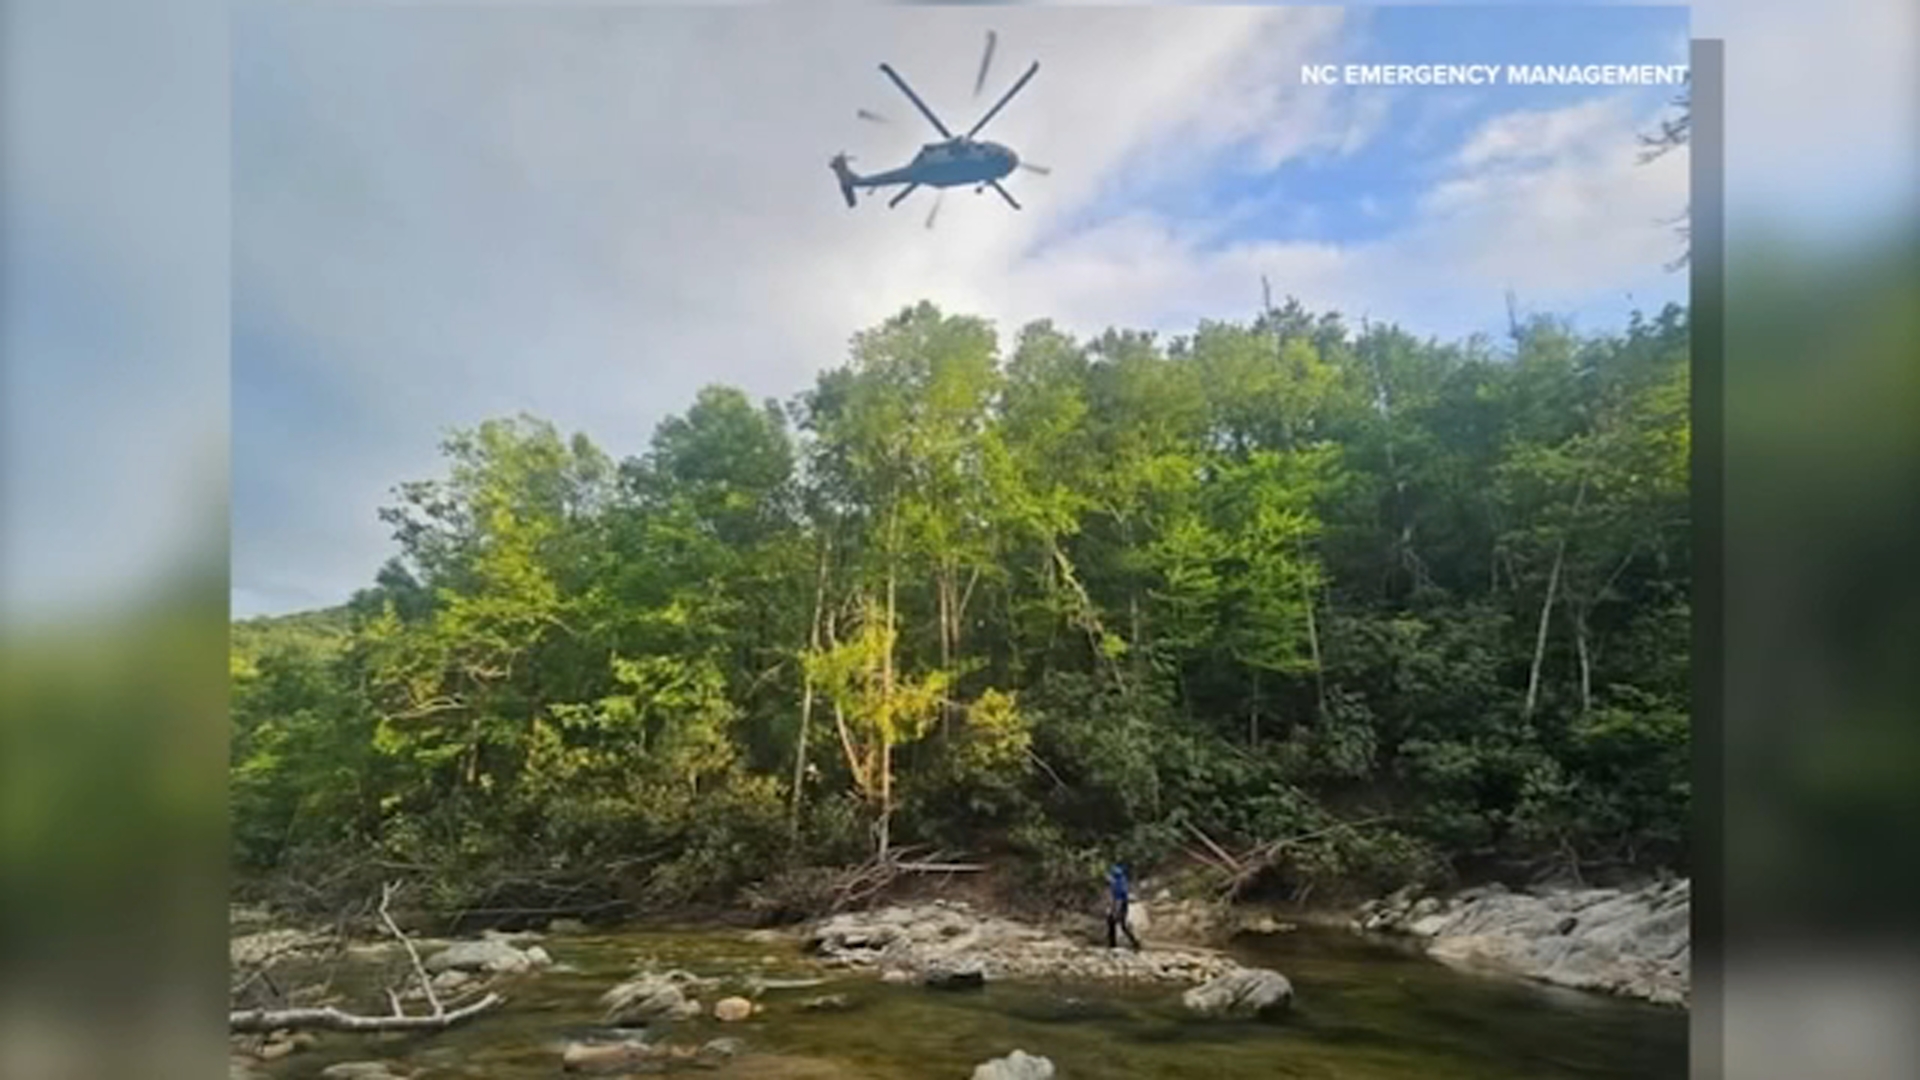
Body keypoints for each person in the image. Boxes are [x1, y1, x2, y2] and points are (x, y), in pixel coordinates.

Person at [1106, 863, 1142, 951]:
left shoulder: (1117, 883)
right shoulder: (1121, 881)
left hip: (1120, 904)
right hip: (1121, 904)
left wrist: (1114, 910)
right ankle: (1113, 944)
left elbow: (1118, 898)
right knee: (1115, 923)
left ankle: (1133, 943)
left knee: (1119, 924)